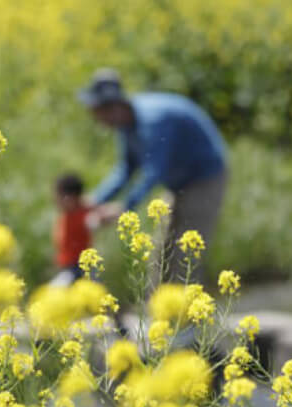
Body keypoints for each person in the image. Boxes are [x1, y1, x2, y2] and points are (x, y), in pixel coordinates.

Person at [78, 68, 227, 284]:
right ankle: (157, 314)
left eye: (96, 112)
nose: (96, 119)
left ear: (113, 107)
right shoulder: (125, 125)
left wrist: (123, 208)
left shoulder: (153, 121)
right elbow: (126, 170)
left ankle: (186, 315)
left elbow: (153, 171)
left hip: (204, 178)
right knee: (161, 253)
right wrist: (95, 200)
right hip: (178, 181)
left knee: (185, 256)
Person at [50, 174, 94, 286]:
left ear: (69, 198)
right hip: (68, 269)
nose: (55, 200)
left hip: (77, 270)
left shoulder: (83, 217)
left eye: (58, 196)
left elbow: (97, 218)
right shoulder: (66, 214)